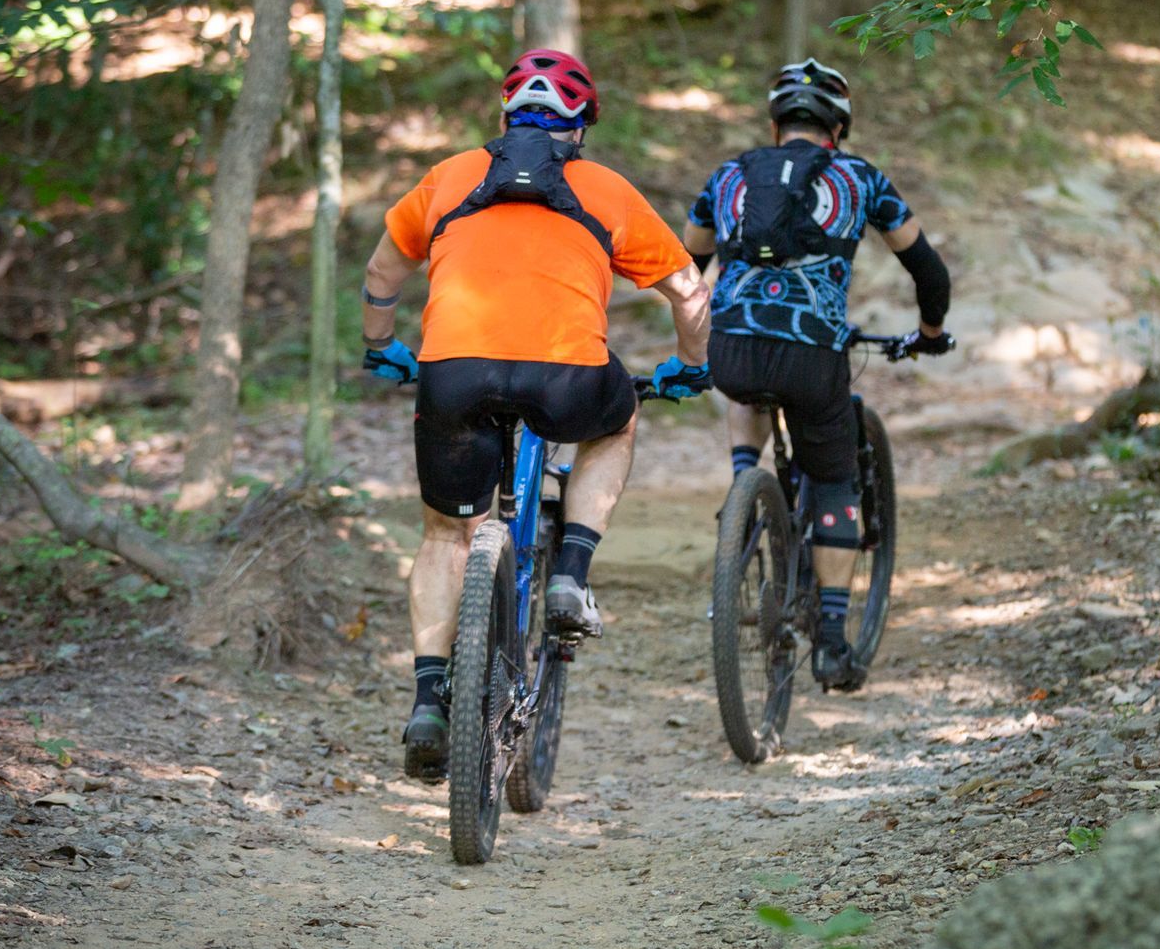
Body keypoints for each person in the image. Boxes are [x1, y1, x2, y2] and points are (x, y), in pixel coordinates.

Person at [359, 48, 712, 780]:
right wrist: (692, 364)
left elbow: (381, 273)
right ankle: (569, 576)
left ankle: (429, 699)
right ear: (581, 128)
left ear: (503, 118)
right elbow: (688, 290)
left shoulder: (450, 177)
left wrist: (381, 347)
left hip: (453, 373)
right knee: (615, 424)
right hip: (568, 376)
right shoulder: (606, 189)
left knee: (446, 534)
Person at [681, 58, 953, 691]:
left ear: (778, 124)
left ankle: (744, 486)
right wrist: (931, 334)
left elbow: (686, 266)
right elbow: (929, 271)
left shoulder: (728, 177)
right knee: (835, 478)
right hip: (814, 355)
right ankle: (832, 643)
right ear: (839, 126)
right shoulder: (861, 179)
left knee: (742, 379)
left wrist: (705, 333)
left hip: (736, 349)